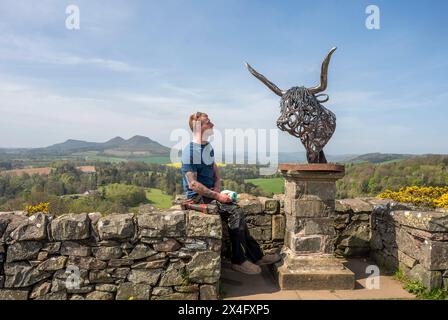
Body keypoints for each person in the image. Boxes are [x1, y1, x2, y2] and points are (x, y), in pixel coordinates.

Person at [181, 111, 281, 275]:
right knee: (235, 211)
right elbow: (193, 184)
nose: (212, 124)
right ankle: (239, 261)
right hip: (198, 198)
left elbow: (213, 165)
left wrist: (218, 181)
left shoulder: (206, 146)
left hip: (210, 193)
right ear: (199, 127)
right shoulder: (190, 152)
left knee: (236, 211)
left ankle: (257, 257)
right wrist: (218, 196)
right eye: (208, 122)